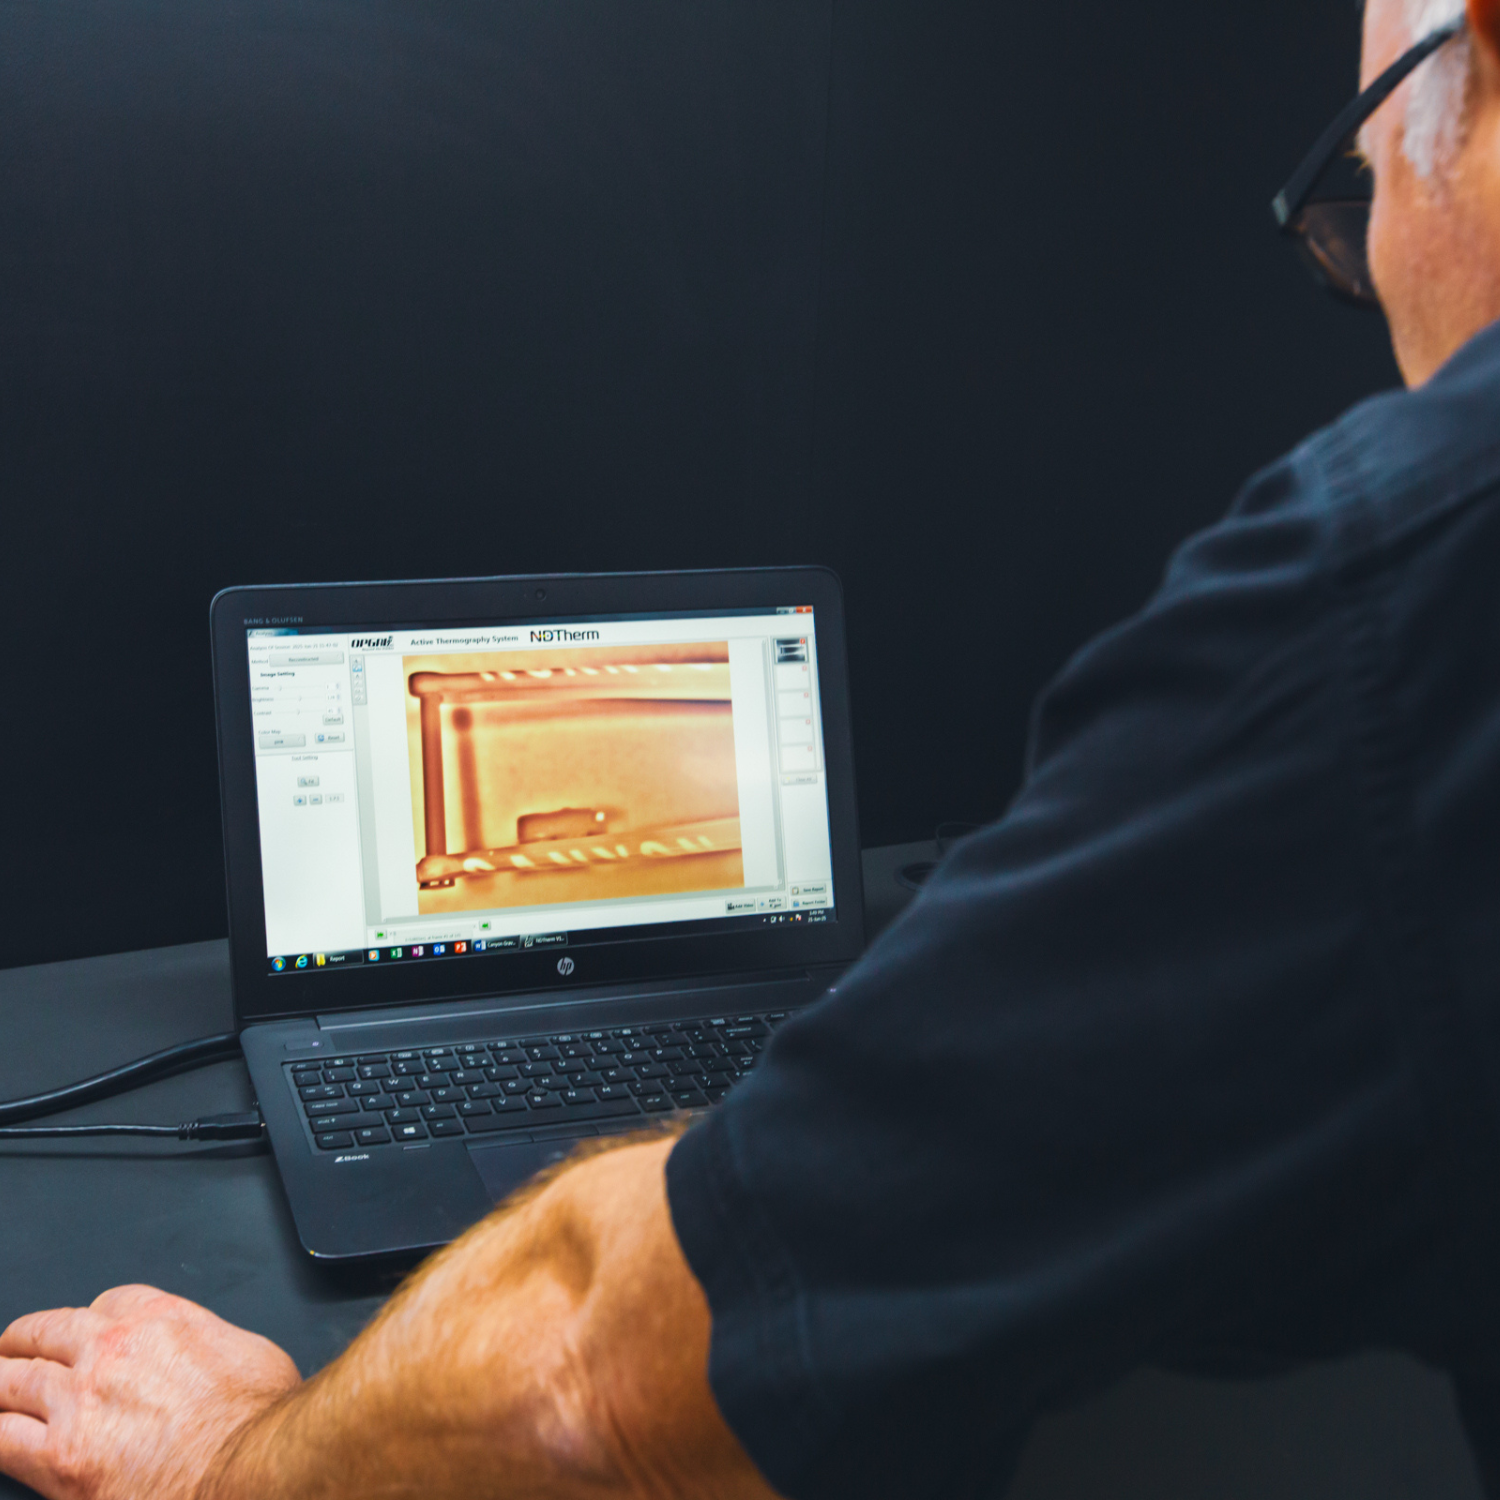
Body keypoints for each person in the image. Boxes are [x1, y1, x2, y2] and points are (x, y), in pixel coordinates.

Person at [7, 0, 1500, 1493]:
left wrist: (222, 1459)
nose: (1370, 270)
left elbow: (600, 1377)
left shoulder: (1407, 598)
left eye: (1364, 187)